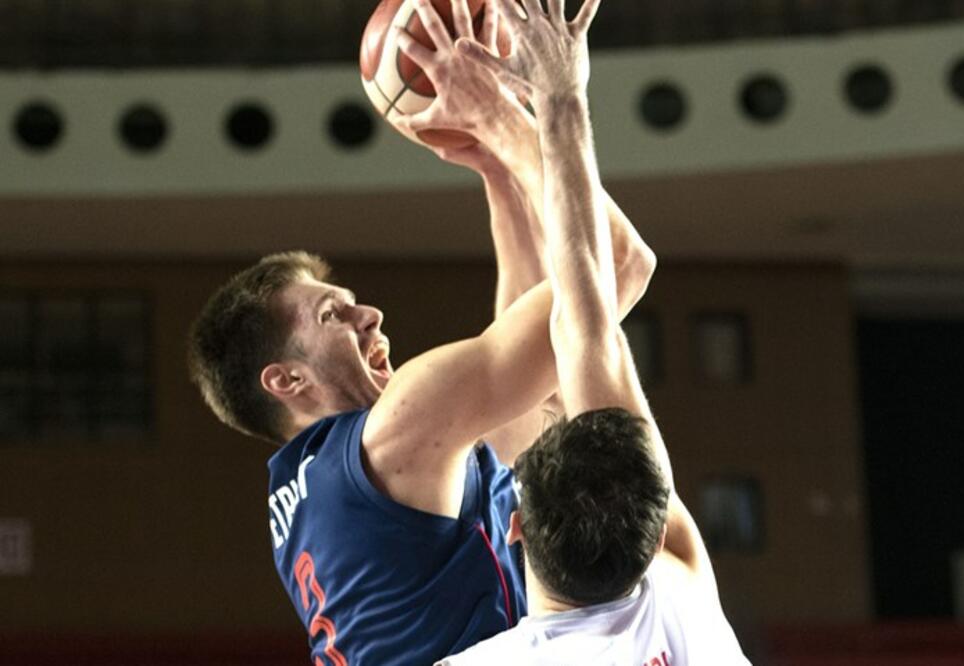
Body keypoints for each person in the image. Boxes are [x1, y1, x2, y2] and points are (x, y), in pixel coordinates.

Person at [187, 0, 655, 662]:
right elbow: (615, 268)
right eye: (332, 315)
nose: (368, 315)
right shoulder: (395, 429)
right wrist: (504, 117)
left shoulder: (340, 484)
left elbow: (519, 383)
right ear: (287, 379)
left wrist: (496, 168)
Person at [437, 0, 753, 663]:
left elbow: (585, 326)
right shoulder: (680, 596)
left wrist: (544, 106)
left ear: (514, 528)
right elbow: (588, 322)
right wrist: (538, 111)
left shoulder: (678, 574)